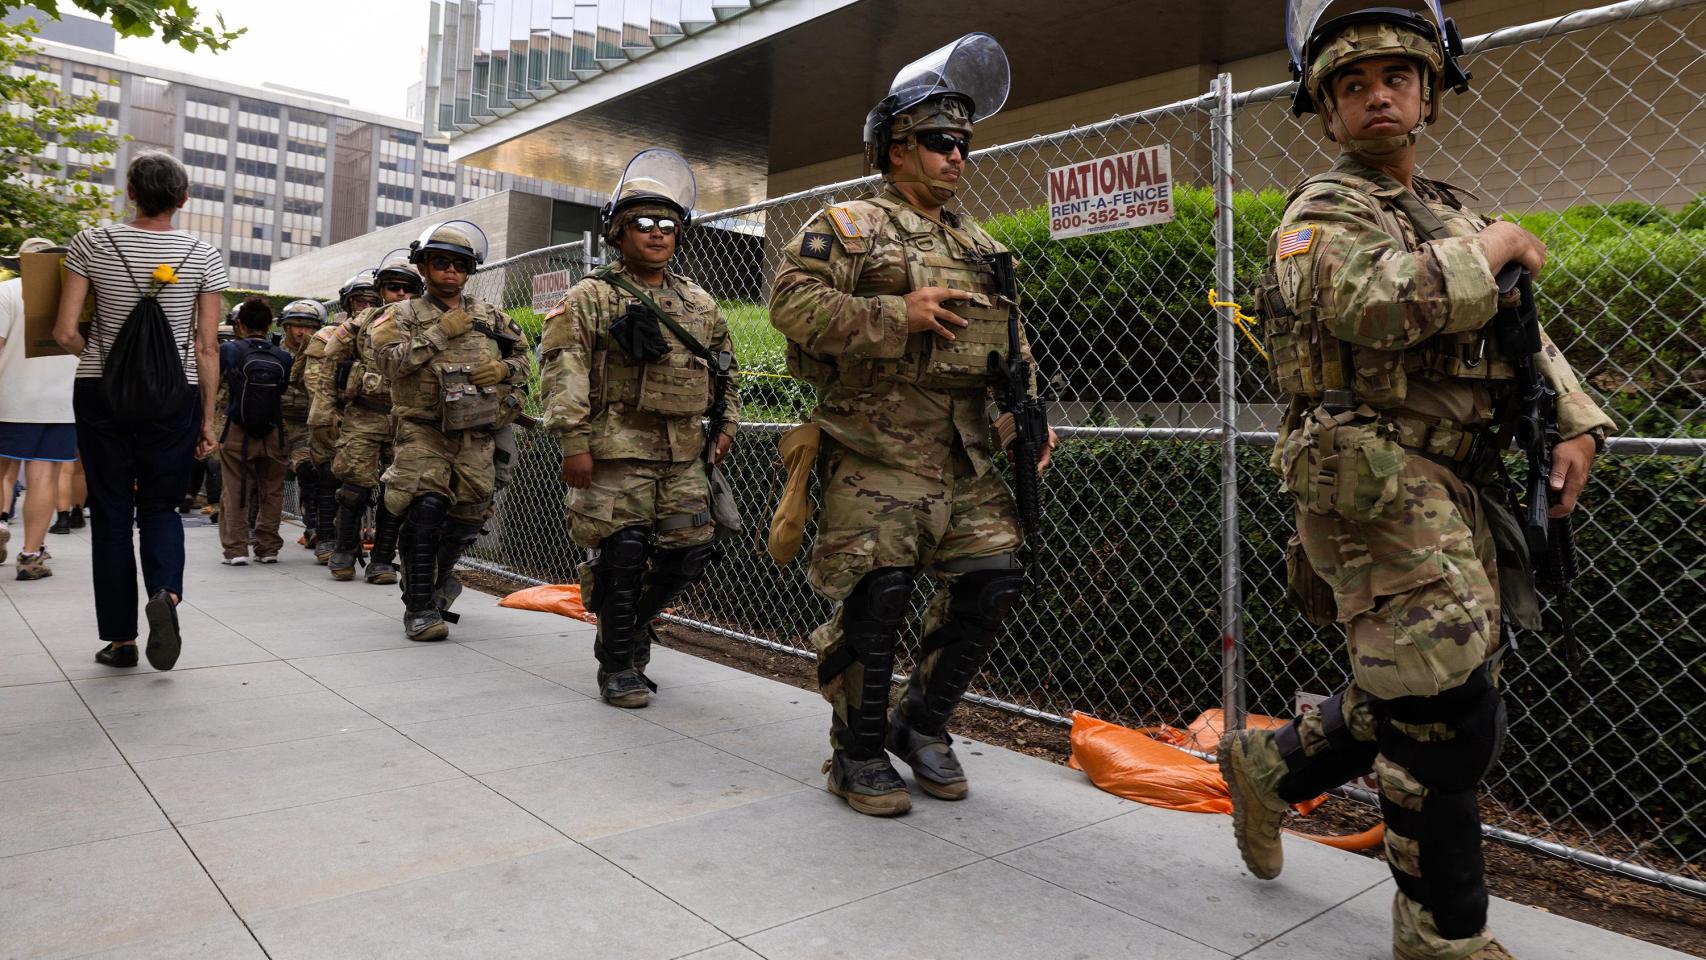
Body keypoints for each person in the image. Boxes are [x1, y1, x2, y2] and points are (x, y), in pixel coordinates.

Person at [1214, 7, 1617, 960]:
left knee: (1427, 685)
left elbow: (1526, 339)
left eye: (1396, 77)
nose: (1376, 95)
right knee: (1444, 712)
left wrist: (1577, 424)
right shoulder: (1323, 209)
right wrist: (1498, 246)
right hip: (1373, 480)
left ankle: (1267, 768)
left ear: (1428, 94)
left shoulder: (1450, 209)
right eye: (1352, 85)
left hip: (1459, 481)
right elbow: (1371, 301)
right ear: (1327, 111)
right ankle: (1441, 933)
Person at [768, 34, 1057, 816]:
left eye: (962, 143)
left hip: (963, 454)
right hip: (873, 446)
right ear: (895, 150)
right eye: (938, 142)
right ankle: (854, 753)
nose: (955, 156)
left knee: (993, 581)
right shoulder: (850, 224)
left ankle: (919, 724)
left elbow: (1011, 344)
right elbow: (788, 306)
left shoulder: (983, 245)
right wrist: (897, 313)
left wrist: (1023, 418)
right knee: (881, 593)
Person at [539, 148, 741, 708]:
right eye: (644, 224)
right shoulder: (589, 298)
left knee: (689, 553)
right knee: (624, 553)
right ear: (619, 233)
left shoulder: (699, 302)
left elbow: (726, 368)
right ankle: (618, 664)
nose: (658, 234)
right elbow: (563, 370)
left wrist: (725, 425)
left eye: (668, 225)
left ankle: (625, 626)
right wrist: (574, 443)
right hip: (613, 452)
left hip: (683, 454)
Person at [53, 150, 229, 670]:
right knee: (159, 506)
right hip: (172, 397)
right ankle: (166, 595)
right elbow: (207, 347)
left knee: (109, 513)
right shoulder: (203, 254)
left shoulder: (92, 241)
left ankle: (120, 640)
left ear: (131, 192)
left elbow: (65, 330)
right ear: (183, 198)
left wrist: (108, 360)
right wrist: (207, 418)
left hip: (102, 391)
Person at [371, 221, 530, 641]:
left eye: (460, 265)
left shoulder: (490, 315)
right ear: (423, 267)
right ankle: (420, 608)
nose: (450, 272)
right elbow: (388, 364)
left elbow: (525, 360)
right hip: (423, 431)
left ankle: (431, 579)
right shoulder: (399, 315)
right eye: (440, 263)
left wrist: (502, 369)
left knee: (466, 519)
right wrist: (441, 332)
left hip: (476, 433)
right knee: (424, 511)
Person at [325, 250, 420, 584]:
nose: (401, 295)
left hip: (406, 420)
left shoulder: (424, 322)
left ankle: (382, 559)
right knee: (354, 488)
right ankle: (344, 551)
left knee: (399, 492)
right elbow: (330, 359)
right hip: (363, 416)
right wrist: (326, 413)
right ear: (382, 290)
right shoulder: (361, 322)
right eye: (395, 288)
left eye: (409, 289)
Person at [0, 238, 80, 579]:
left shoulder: (7, 292)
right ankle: (31, 556)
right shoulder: (75, 298)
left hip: (9, 397)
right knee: (42, 476)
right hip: (60, 402)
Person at [301, 274, 378, 563]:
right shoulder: (328, 336)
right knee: (328, 477)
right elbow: (315, 382)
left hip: (369, 421)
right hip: (333, 418)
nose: (366, 305)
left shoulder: (382, 334)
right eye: (360, 300)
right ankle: (327, 538)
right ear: (347, 303)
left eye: (372, 300)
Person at [215, 297, 293, 565]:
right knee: (272, 491)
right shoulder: (282, 356)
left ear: (240, 324)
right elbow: (281, 390)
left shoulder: (230, 350)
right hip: (274, 432)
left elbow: (218, 384)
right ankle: (268, 548)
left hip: (238, 429)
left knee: (235, 488)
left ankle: (236, 550)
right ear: (270, 325)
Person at [277, 298, 325, 539]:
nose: (302, 332)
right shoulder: (276, 354)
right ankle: (258, 526)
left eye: (309, 327)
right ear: (285, 327)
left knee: (309, 472)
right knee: (268, 477)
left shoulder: (323, 353)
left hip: (306, 425)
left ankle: (313, 527)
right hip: (278, 423)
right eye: (296, 325)